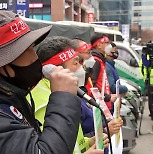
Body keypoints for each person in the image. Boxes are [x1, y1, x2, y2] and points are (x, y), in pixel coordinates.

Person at [0, 11, 81, 153]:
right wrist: (63, 97)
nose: (35, 57)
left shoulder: (12, 97)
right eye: (26, 51)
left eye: (33, 47)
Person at [33, 36, 108, 153]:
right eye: (75, 63)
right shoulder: (44, 101)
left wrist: (88, 142)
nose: (81, 68)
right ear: (53, 69)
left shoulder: (64, 94)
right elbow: (49, 150)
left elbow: (67, 140)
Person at [90, 34, 117, 113]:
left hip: (104, 104)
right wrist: (108, 97)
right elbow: (92, 86)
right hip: (100, 105)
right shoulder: (96, 61)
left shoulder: (101, 60)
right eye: (107, 43)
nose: (109, 45)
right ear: (99, 45)